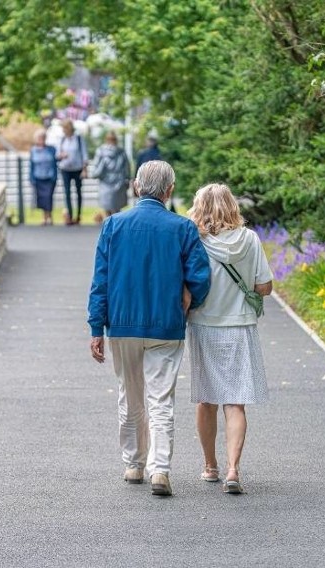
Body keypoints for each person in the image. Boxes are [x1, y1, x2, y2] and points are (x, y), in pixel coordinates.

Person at [88, 160, 211, 497]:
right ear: (169, 190)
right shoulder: (183, 228)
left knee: (130, 396)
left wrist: (96, 327)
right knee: (160, 400)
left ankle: (133, 464)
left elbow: (101, 281)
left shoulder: (113, 225)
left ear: (136, 187)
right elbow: (201, 277)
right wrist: (189, 300)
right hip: (166, 324)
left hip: (123, 324)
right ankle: (160, 470)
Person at [186, 183, 274, 494]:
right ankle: (233, 469)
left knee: (206, 399)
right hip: (240, 326)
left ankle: (210, 466)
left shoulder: (195, 240)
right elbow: (264, 286)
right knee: (235, 401)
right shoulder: (249, 239)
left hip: (203, 325)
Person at [90, 131, 130, 219]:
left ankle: (108, 226)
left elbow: (96, 165)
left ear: (106, 139)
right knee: (117, 209)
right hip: (118, 182)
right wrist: (127, 179)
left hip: (105, 182)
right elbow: (126, 167)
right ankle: (117, 227)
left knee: (107, 208)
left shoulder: (101, 151)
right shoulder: (121, 151)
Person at [56, 119, 87, 225]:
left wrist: (84, 168)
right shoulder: (62, 139)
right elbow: (57, 155)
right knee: (67, 192)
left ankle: (78, 216)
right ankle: (69, 215)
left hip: (77, 169)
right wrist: (61, 156)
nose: (64, 130)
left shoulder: (78, 139)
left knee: (78, 192)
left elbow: (84, 154)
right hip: (65, 169)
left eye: (65, 128)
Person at [29, 129, 58, 225]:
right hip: (38, 177)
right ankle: (44, 217)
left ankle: (50, 216)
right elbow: (31, 165)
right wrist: (31, 177)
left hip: (49, 177)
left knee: (48, 197)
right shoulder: (33, 150)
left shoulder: (51, 149)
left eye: (43, 138)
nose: (41, 139)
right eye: (39, 138)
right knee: (41, 198)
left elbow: (55, 161)